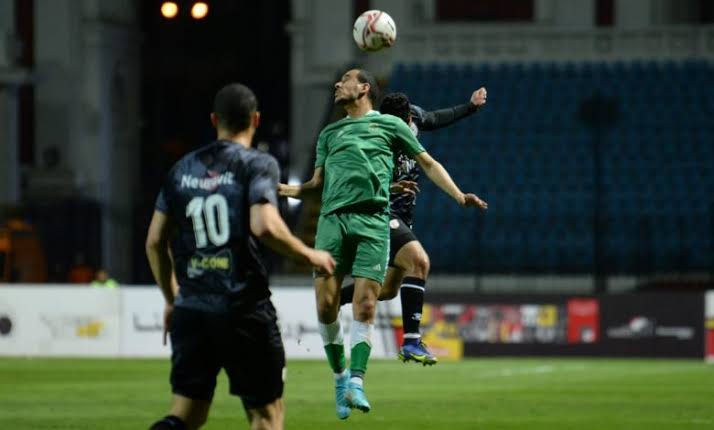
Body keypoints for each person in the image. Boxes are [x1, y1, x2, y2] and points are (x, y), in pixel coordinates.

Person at [278, 69, 487, 420]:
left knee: (368, 303)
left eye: (343, 79)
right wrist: (286, 190)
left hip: (374, 220)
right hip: (332, 221)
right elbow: (318, 183)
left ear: (362, 88)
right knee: (327, 305)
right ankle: (341, 377)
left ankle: (357, 381)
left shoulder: (392, 125)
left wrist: (458, 196)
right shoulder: (329, 133)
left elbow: (428, 162)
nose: (336, 84)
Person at [145, 83, 335, 430]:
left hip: (191, 308)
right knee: (266, 415)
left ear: (214, 119)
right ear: (256, 119)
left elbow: (155, 241)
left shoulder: (181, 168)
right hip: (242, 309)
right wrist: (310, 254)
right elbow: (264, 225)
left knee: (185, 413)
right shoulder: (256, 163)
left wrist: (173, 299)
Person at [339, 89, 487, 365]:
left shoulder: (413, 119)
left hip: (402, 215)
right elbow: (354, 183)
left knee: (386, 290)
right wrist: (390, 186)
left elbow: (434, 118)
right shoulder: (374, 140)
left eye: (406, 122)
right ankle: (411, 341)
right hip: (379, 212)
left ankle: (334, 297)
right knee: (419, 262)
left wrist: (470, 106)